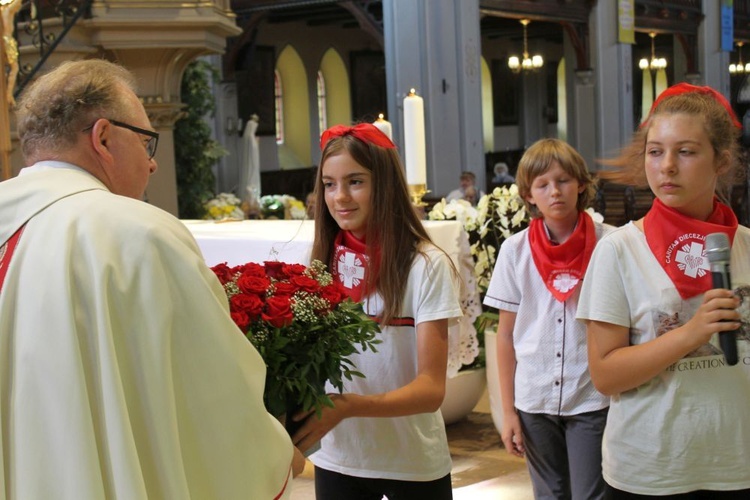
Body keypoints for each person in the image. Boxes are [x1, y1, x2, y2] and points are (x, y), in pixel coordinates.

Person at [0, 59, 304, 499]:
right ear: (103, 137)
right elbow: (212, 397)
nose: (152, 164)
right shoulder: (138, 234)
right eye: (146, 143)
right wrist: (274, 446)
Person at [577, 83, 750, 497]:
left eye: (686, 152)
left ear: (721, 160)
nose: (666, 166)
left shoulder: (745, 244)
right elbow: (605, 375)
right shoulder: (618, 250)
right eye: (655, 151)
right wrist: (692, 334)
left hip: (737, 464)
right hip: (652, 469)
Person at [294, 123, 462, 500]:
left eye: (355, 181)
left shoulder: (425, 265)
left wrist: (349, 407)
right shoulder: (320, 261)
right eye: (329, 183)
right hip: (339, 457)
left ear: (383, 185)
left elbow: (431, 390)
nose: (339, 197)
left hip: (411, 461)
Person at [484, 138, 612, 500]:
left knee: (592, 493)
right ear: (528, 195)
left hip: (591, 395)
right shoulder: (514, 251)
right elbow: (506, 335)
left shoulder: (610, 244)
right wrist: (508, 412)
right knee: (549, 494)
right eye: (542, 185)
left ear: (581, 184)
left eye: (563, 180)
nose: (554, 192)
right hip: (534, 398)